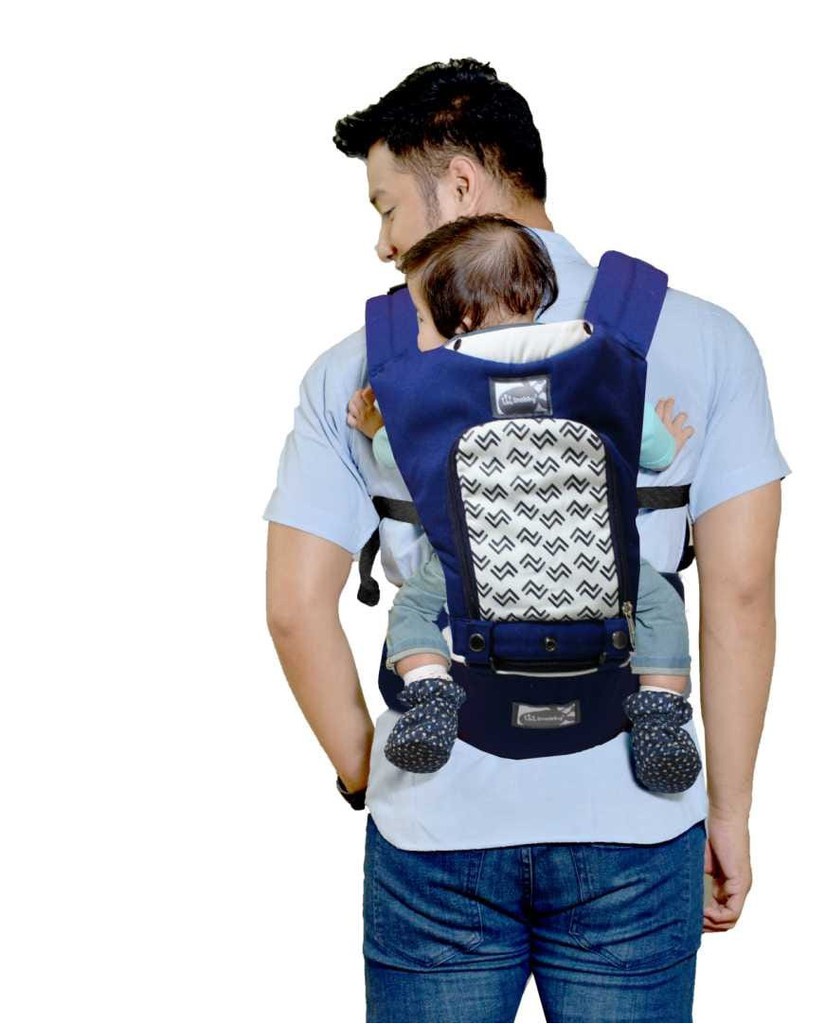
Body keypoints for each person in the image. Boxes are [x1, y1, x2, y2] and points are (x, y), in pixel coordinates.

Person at [265, 57, 789, 1023]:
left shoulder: (357, 368)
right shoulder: (707, 341)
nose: (382, 244)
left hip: (437, 829)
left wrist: (371, 775)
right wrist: (728, 813)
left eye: (386, 206)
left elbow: (295, 610)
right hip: (637, 825)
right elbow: (742, 593)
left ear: (461, 182)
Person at [345, 213, 701, 795]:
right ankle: (660, 713)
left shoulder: (434, 388)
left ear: (461, 319)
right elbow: (655, 453)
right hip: (601, 574)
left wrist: (374, 427)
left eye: (421, 320)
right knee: (661, 610)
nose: (419, 334)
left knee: (411, 612)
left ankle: (430, 687)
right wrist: (670, 436)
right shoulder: (598, 362)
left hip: (472, 580)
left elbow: (394, 453)